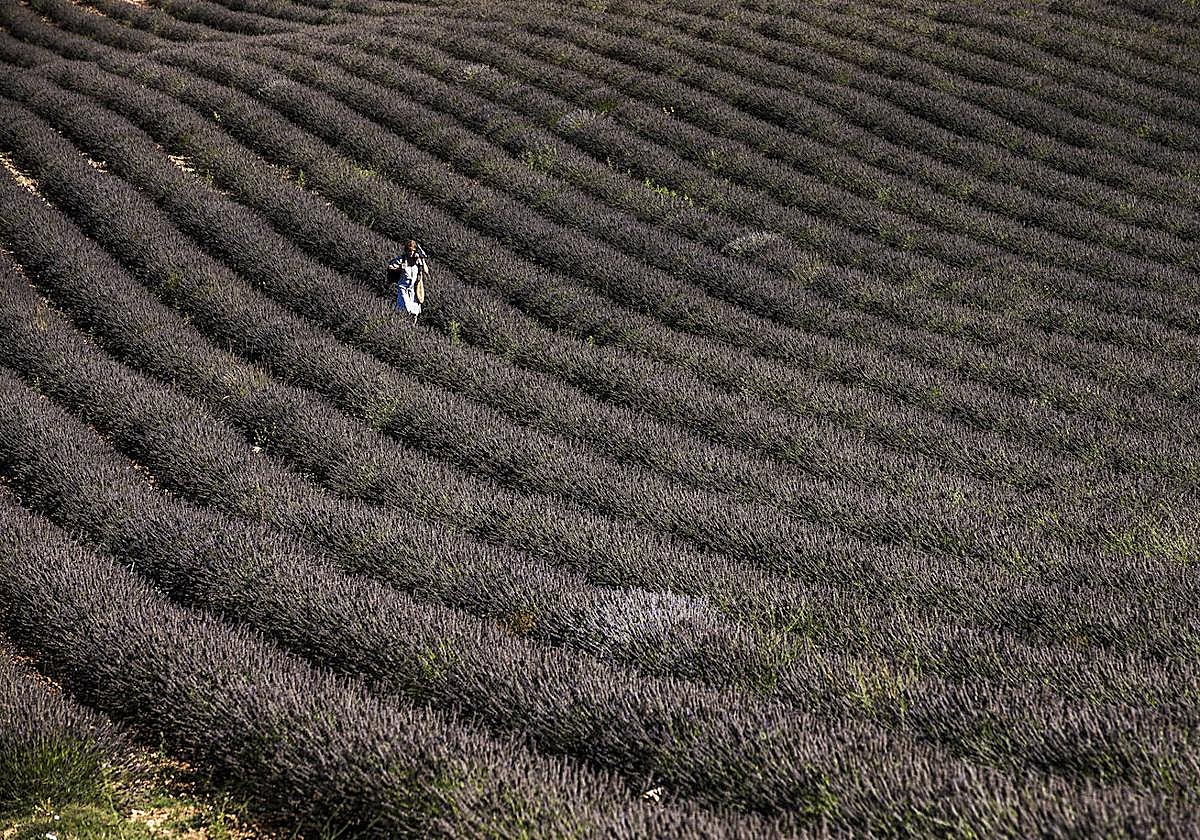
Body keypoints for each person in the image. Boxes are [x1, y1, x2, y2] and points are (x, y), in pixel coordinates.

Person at [389, 240, 428, 324]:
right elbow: (390, 267)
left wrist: (422, 259)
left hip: (414, 289)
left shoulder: (418, 261)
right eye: (409, 250)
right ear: (406, 250)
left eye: (412, 251)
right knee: (406, 308)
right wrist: (399, 268)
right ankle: (400, 324)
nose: (410, 252)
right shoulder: (401, 260)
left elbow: (426, 271)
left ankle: (411, 327)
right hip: (403, 288)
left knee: (415, 312)